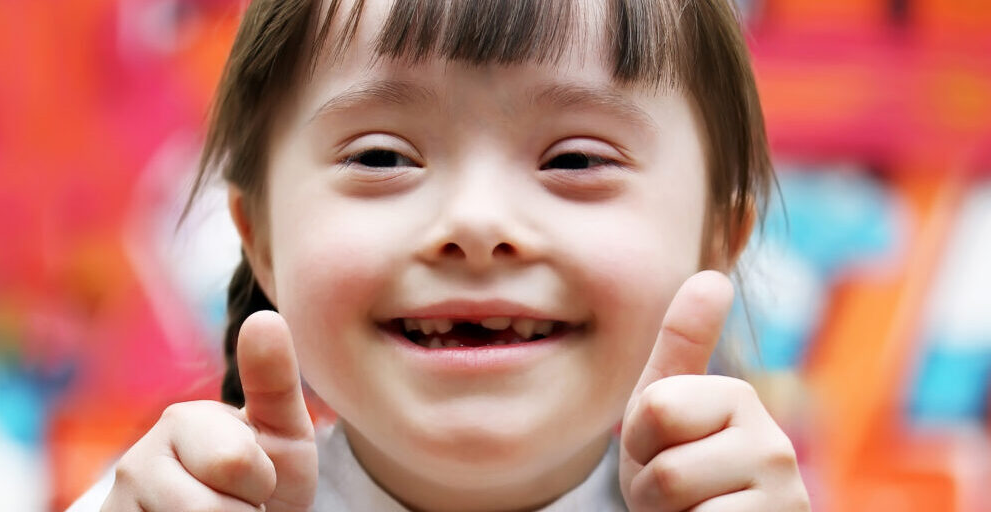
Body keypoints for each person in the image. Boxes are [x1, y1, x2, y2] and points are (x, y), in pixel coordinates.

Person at [71, 0, 811, 510]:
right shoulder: (161, 500)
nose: (477, 222)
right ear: (259, 237)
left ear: (717, 243)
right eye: (384, 156)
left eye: (577, 160)